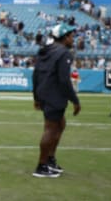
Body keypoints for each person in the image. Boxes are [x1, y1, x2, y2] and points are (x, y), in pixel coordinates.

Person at [32, 23, 81, 178]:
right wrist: (75, 100)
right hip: (54, 94)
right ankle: (41, 165)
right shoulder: (64, 53)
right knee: (51, 129)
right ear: (65, 37)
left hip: (44, 93)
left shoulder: (45, 50)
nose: (73, 39)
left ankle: (50, 159)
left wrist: (36, 97)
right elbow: (63, 80)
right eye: (71, 36)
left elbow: (35, 75)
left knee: (60, 124)